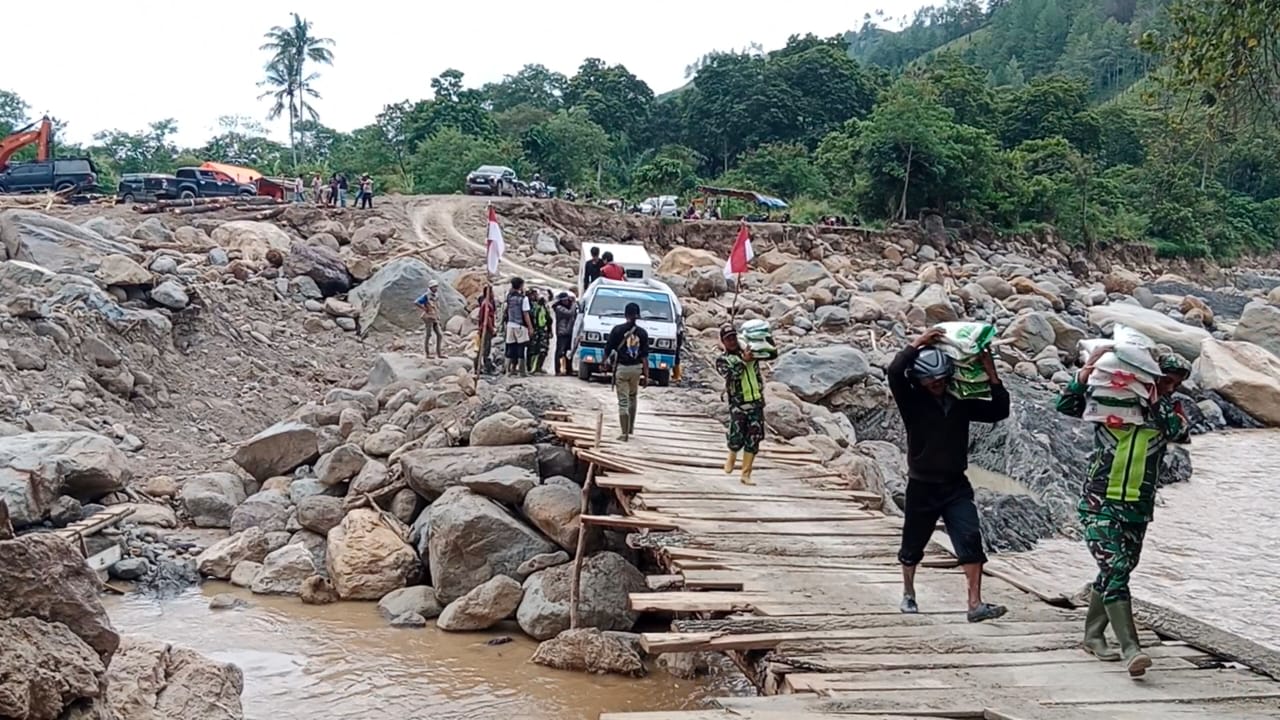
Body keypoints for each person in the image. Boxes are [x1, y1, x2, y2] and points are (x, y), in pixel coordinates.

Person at [1055, 349, 1191, 677]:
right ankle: (1132, 649)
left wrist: (1156, 399)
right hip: (1099, 502)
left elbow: (1179, 432)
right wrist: (1084, 375)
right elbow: (1066, 406)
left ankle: (1092, 635)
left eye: (1175, 384)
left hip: (1137, 508)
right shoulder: (1110, 400)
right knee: (1115, 566)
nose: (1171, 387)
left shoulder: (1169, 408)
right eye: (1166, 380)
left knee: (1120, 569)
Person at [888, 327, 1010, 624]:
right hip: (922, 484)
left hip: (956, 484)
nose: (938, 386)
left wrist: (991, 372)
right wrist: (916, 344)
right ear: (921, 381)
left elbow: (998, 411)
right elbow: (894, 372)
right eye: (932, 382)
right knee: (913, 544)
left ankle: (975, 604)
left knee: (970, 538)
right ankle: (908, 593)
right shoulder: (912, 401)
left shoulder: (960, 401)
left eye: (942, 380)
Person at [716, 324, 765, 485]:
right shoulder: (723, 360)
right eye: (728, 338)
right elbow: (731, 375)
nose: (731, 341)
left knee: (754, 438)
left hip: (755, 401)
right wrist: (743, 361)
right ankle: (731, 455)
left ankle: (746, 473)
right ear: (723, 341)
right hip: (738, 403)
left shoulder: (749, 353)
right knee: (737, 436)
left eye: (733, 337)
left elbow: (757, 370)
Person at [603, 302, 649, 441]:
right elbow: (645, 356)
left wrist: (603, 362)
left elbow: (608, 348)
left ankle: (624, 433)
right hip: (636, 368)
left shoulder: (617, 330)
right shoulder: (642, 333)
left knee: (623, 400)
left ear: (625, 314)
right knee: (633, 397)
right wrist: (646, 375)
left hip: (622, 368)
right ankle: (631, 428)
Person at [503, 277, 533, 375]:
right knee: (521, 347)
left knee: (510, 347)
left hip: (510, 324)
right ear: (521, 286)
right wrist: (530, 327)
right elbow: (525, 314)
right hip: (520, 325)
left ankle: (508, 369)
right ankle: (522, 370)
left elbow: (506, 309)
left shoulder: (508, 296)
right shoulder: (523, 299)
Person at [414, 280, 445, 359]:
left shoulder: (436, 295)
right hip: (428, 317)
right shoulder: (426, 296)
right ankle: (427, 353)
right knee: (428, 335)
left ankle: (439, 353)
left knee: (439, 335)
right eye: (434, 287)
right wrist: (424, 308)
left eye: (436, 286)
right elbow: (416, 302)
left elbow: (436, 306)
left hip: (434, 316)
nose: (436, 288)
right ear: (431, 287)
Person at [552, 292, 578, 376]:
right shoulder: (559, 308)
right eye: (564, 300)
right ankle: (557, 370)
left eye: (567, 300)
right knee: (560, 352)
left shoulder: (570, 306)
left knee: (568, 352)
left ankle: (569, 369)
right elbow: (569, 313)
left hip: (570, 332)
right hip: (562, 332)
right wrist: (574, 304)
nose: (566, 302)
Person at [527, 289, 552, 374]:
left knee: (543, 350)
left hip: (543, 330)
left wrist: (550, 330)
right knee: (532, 350)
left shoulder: (545, 307)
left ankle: (538, 367)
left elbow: (549, 319)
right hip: (535, 329)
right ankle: (530, 368)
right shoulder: (532, 306)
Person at [474, 285, 497, 376]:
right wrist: (492, 330)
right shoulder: (486, 305)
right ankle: (485, 367)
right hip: (486, 330)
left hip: (485, 329)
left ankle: (481, 366)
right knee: (485, 349)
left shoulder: (487, 303)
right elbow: (487, 319)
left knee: (483, 348)